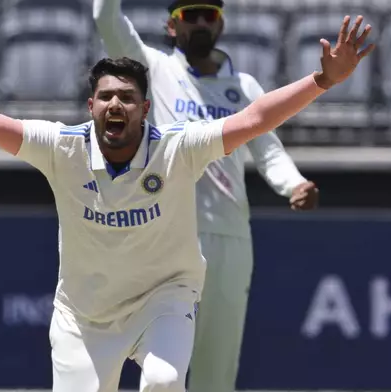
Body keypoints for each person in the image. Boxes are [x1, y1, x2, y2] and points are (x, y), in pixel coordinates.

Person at [0, 17, 372, 392]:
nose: (115, 105)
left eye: (126, 97)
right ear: (91, 106)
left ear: (146, 107)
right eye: (105, 97)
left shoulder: (178, 148)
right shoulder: (62, 147)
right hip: (85, 316)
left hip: (164, 299)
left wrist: (323, 80)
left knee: (166, 381)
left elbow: (253, 121)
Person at [92, 1, 325, 390]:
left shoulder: (243, 86)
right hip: (169, 238)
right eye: (190, 15)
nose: (200, 22)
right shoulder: (153, 69)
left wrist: (295, 184)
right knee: (163, 372)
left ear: (220, 24)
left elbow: (267, 151)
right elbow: (106, 18)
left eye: (209, 15)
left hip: (230, 239)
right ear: (171, 26)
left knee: (216, 374)